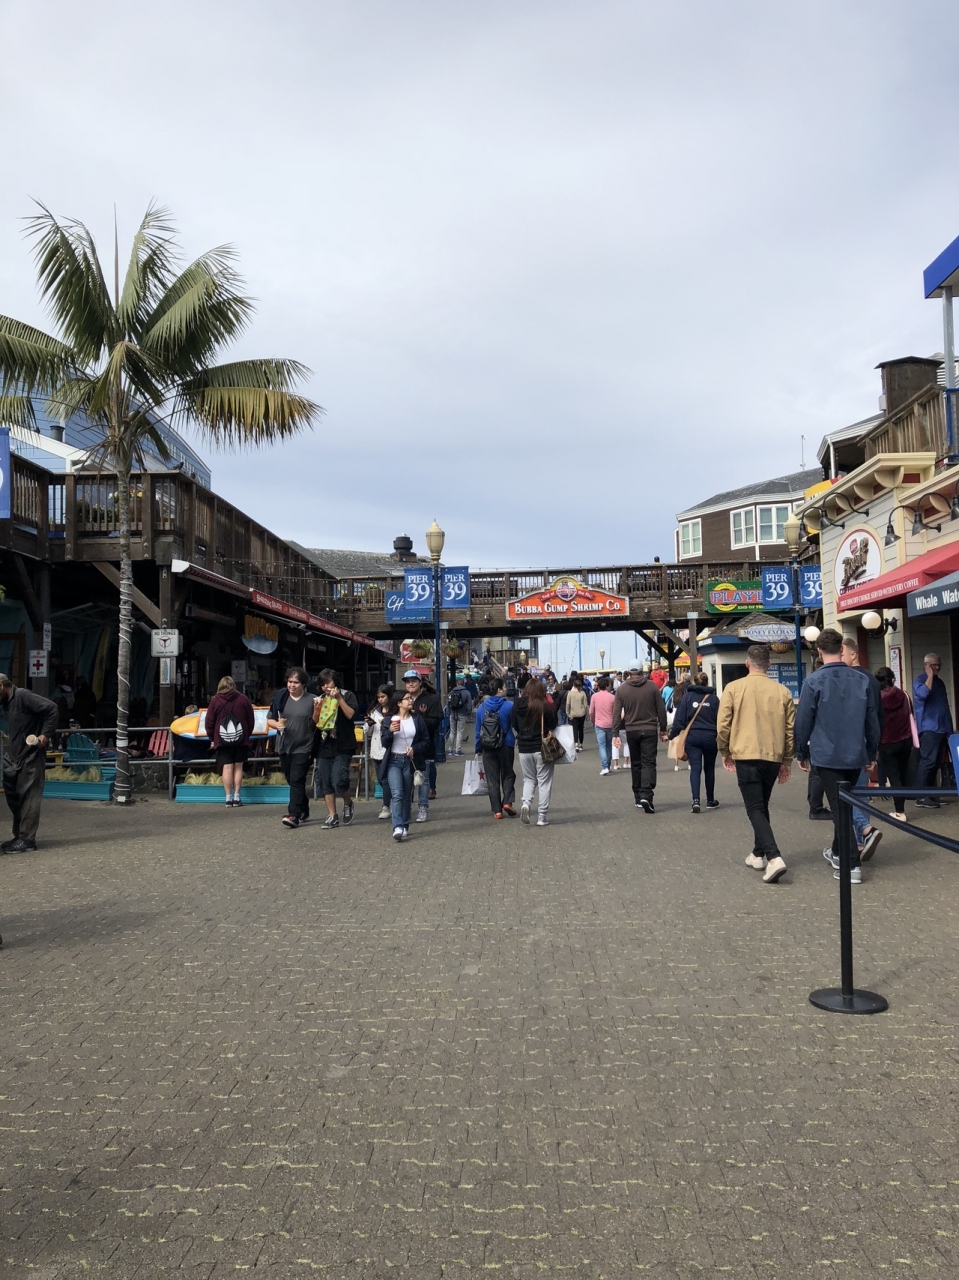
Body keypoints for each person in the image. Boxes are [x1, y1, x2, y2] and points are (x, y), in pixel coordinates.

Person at [795, 629, 881, 885]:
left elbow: (803, 720)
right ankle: (836, 851)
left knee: (839, 809)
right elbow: (872, 721)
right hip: (855, 752)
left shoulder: (813, 681)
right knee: (843, 805)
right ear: (842, 649)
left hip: (826, 754)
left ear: (819, 651)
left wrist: (801, 751)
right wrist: (872, 752)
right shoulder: (861, 680)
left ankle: (851, 864)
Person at [716, 644, 795, 884]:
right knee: (761, 805)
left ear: (747, 663)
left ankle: (773, 856)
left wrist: (725, 750)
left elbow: (723, 724)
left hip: (745, 753)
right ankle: (757, 853)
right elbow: (790, 730)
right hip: (772, 755)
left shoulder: (733, 688)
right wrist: (787, 760)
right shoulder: (783, 692)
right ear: (769, 664)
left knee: (754, 808)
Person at [0, 675, 58, 853]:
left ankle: (27, 840)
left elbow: (52, 708)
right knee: (14, 798)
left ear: (1, 686)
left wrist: (45, 734)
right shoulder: (5, 702)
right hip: (13, 756)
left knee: (29, 798)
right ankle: (19, 835)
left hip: (31, 755)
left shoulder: (23, 696)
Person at [840, 636, 885, 861]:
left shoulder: (852, 679)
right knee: (861, 792)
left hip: (851, 743)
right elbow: (878, 717)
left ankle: (865, 832)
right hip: (868, 742)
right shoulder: (872, 679)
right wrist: (875, 746)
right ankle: (860, 839)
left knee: (847, 793)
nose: (839, 659)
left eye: (842, 654)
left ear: (853, 654)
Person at [611, 663, 668, 813]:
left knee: (636, 763)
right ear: (642, 671)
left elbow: (616, 713)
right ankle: (646, 794)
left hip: (631, 730)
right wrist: (663, 729)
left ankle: (638, 797)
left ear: (628, 672)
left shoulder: (622, 689)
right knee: (648, 762)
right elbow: (661, 709)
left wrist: (615, 734)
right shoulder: (652, 687)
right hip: (649, 729)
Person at [267, 667, 320, 830]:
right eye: (290, 681)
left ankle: (293, 815)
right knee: (292, 780)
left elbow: (317, 722)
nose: (292, 685)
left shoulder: (312, 699)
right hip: (284, 745)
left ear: (303, 684)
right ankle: (303, 808)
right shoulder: (281, 697)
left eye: (296, 682)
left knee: (297, 779)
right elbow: (270, 719)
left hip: (304, 746)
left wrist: (318, 711)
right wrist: (276, 725)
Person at [379, 690, 430, 841]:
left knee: (407, 795)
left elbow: (426, 741)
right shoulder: (389, 720)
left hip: (409, 761)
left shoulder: (417, 719)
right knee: (397, 794)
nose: (411, 700)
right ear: (399, 703)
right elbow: (384, 742)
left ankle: (405, 825)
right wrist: (390, 731)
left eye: (410, 698)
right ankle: (397, 826)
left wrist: (414, 748)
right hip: (393, 760)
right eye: (407, 699)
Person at [313, 668, 359, 829]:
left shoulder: (347, 695)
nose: (326, 687)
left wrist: (339, 698)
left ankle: (347, 802)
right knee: (324, 779)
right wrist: (317, 709)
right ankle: (332, 815)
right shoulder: (320, 698)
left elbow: (351, 715)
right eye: (323, 684)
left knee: (339, 778)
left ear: (336, 682)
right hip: (324, 743)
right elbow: (315, 722)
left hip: (343, 744)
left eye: (328, 683)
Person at [668, 672, 720, 813]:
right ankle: (710, 800)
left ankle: (695, 800)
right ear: (707, 682)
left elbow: (679, 720)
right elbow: (720, 720)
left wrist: (671, 735)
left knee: (695, 768)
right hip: (710, 737)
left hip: (693, 737)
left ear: (694, 682)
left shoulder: (687, 697)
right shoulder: (714, 699)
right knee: (709, 768)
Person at [510, 676, 558, 826]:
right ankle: (542, 816)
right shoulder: (543, 705)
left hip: (524, 748)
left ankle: (526, 804)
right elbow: (553, 724)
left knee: (529, 779)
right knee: (544, 782)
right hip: (541, 748)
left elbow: (514, 725)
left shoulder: (517, 704)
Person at [205, 675, 255, 806]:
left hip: (222, 740)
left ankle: (228, 798)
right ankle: (237, 797)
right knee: (238, 767)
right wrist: (246, 735)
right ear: (233, 686)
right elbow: (251, 719)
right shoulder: (243, 699)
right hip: (240, 739)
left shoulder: (215, 700)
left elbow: (209, 722)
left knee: (227, 767)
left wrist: (212, 737)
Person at [913, 652, 953, 808]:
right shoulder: (919, 681)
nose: (937, 668)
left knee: (936, 763)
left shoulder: (940, 683)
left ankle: (932, 794)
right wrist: (929, 676)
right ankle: (921, 796)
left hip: (942, 728)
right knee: (928, 762)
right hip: (929, 728)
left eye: (938, 665)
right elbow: (923, 694)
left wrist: (949, 729)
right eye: (934, 665)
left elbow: (944, 706)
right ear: (926, 665)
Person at [875, 666, 914, 822]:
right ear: (893, 679)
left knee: (894, 776)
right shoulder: (903, 695)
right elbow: (911, 714)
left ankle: (900, 811)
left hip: (887, 742)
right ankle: (902, 804)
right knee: (902, 772)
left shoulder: (877, 699)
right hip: (905, 740)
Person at [475, 676, 516, 819]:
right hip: (506, 744)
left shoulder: (481, 708)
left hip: (487, 746)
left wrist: (478, 748)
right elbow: (515, 724)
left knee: (492, 779)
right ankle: (508, 802)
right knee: (508, 774)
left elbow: (478, 730)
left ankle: (497, 811)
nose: (506, 689)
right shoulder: (509, 706)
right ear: (499, 690)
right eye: (504, 687)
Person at [403, 670, 442, 819]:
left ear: (420, 683)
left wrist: (416, 719)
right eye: (408, 682)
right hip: (404, 747)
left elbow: (436, 721)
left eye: (413, 681)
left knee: (423, 779)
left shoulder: (431, 699)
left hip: (424, 745)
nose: (410, 684)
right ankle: (406, 808)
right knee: (406, 780)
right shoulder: (402, 699)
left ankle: (423, 808)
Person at [366, 685, 393, 820]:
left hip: (389, 750)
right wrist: (369, 724)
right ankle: (394, 798)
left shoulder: (395, 711)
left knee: (386, 780)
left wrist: (385, 724)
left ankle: (386, 806)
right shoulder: (374, 711)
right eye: (378, 697)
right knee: (381, 780)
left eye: (383, 697)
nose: (381, 700)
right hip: (376, 749)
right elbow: (367, 732)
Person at [588, 675, 616, 775]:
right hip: (610, 723)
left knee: (602, 745)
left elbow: (591, 711)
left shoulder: (594, 696)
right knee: (609, 745)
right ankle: (608, 765)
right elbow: (615, 712)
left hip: (599, 723)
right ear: (607, 686)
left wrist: (593, 721)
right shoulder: (612, 697)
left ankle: (605, 767)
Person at [446, 677, 473, 756]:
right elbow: (469, 705)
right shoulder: (467, 693)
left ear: (457, 684)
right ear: (463, 684)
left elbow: (448, 703)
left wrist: (448, 712)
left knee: (452, 731)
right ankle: (458, 751)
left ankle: (450, 750)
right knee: (459, 732)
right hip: (462, 714)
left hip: (452, 714)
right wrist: (469, 713)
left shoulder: (451, 692)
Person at [565, 679, 588, 752]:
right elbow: (585, 705)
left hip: (573, 713)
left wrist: (568, 713)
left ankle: (576, 744)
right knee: (581, 729)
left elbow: (568, 704)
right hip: (581, 713)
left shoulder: (570, 693)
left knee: (575, 729)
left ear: (573, 685)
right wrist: (587, 714)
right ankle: (581, 744)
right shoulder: (582, 693)